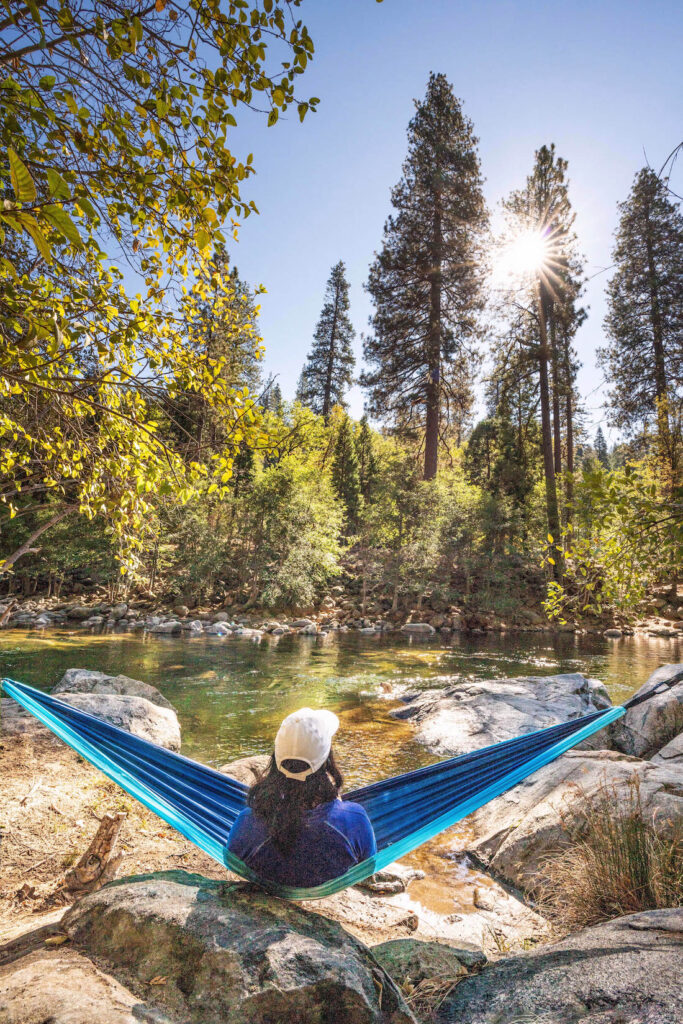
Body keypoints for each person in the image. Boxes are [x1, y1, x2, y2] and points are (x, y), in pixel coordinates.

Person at [227, 707, 377, 888]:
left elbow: (232, 862)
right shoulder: (354, 819)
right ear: (327, 759)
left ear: (275, 758)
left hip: (268, 884)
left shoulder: (248, 821)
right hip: (328, 886)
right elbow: (368, 867)